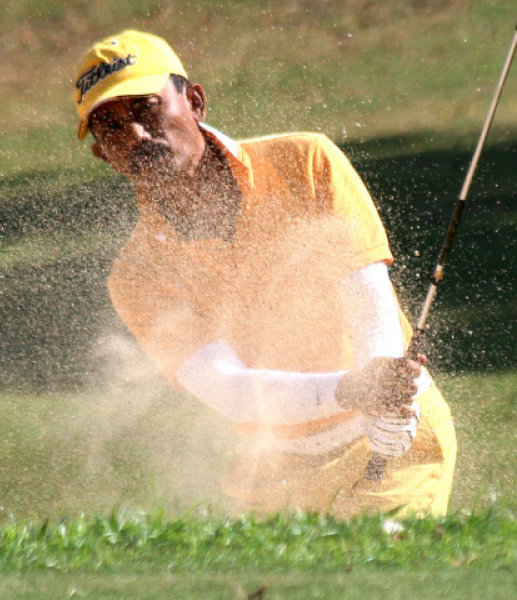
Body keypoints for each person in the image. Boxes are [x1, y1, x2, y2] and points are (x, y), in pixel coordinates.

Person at [71, 30, 457, 517]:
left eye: (147, 108)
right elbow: (226, 388)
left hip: (391, 442)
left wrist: (382, 394)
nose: (135, 134)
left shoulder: (306, 160)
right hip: (273, 470)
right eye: (110, 126)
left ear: (194, 101)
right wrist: (351, 389)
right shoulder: (137, 275)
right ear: (103, 154)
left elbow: (366, 296)